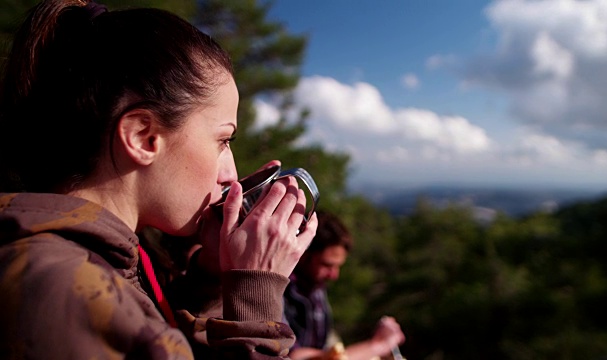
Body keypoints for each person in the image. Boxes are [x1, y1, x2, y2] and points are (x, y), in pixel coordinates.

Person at [0, 0, 318, 358]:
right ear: (142, 137)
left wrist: (215, 275)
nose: (232, 178)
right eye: (223, 141)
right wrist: (256, 293)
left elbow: (156, 336)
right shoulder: (60, 290)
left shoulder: (109, 264)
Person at [283, 211, 405, 360]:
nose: (334, 275)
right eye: (327, 265)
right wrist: (377, 346)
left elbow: (323, 347)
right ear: (303, 254)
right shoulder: (279, 288)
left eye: (337, 267)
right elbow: (291, 356)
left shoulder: (314, 287)